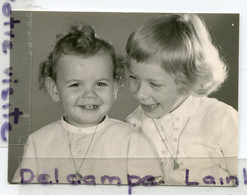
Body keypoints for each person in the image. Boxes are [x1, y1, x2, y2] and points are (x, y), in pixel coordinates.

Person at [12, 23, 163, 185]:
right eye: (76, 85)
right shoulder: (38, 142)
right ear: (54, 89)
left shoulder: (131, 141)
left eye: (100, 84)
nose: (90, 94)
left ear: (115, 88)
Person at [125, 14, 238, 186]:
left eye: (154, 84)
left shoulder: (222, 119)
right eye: (134, 78)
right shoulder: (133, 126)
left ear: (187, 80)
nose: (140, 94)